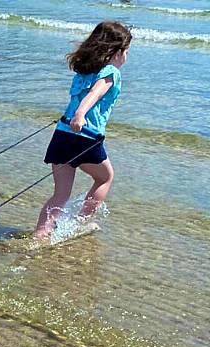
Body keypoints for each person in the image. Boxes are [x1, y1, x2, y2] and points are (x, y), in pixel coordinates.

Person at [34, 21, 132, 240]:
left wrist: (75, 117)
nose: (126, 57)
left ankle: (39, 236)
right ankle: (79, 223)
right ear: (116, 51)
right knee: (105, 178)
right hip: (85, 137)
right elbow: (95, 94)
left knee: (60, 194)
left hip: (62, 135)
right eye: (126, 51)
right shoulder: (111, 73)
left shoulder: (84, 71)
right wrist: (80, 115)